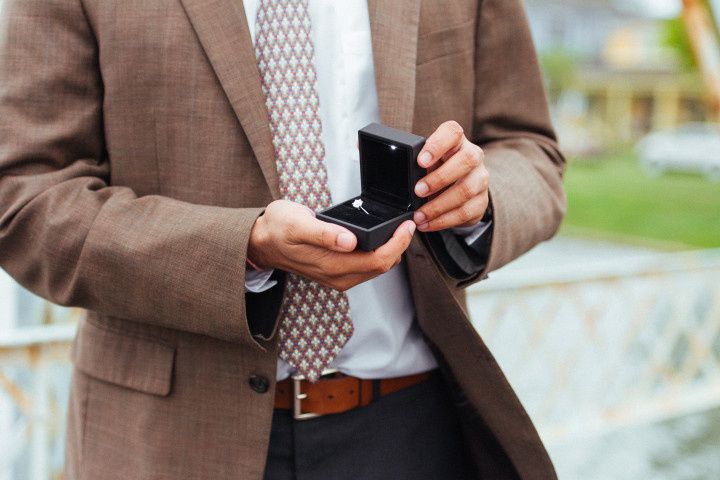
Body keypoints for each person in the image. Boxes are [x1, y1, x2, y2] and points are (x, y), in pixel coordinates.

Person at [0, 0, 566, 478]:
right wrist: (241, 248)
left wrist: (476, 201)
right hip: (166, 440)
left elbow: (529, 150)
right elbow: (25, 198)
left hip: (414, 424)